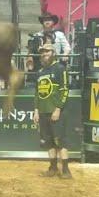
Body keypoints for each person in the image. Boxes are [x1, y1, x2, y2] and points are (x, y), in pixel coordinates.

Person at [33, 44, 70, 178]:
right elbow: (37, 93)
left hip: (56, 112)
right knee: (48, 142)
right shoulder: (40, 72)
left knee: (60, 141)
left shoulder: (60, 68)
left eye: (47, 51)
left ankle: (65, 170)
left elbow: (65, 89)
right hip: (43, 112)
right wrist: (36, 111)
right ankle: (53, 168)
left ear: (53, 52)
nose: (44, 54)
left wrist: (58, 109)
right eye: (42, 52)